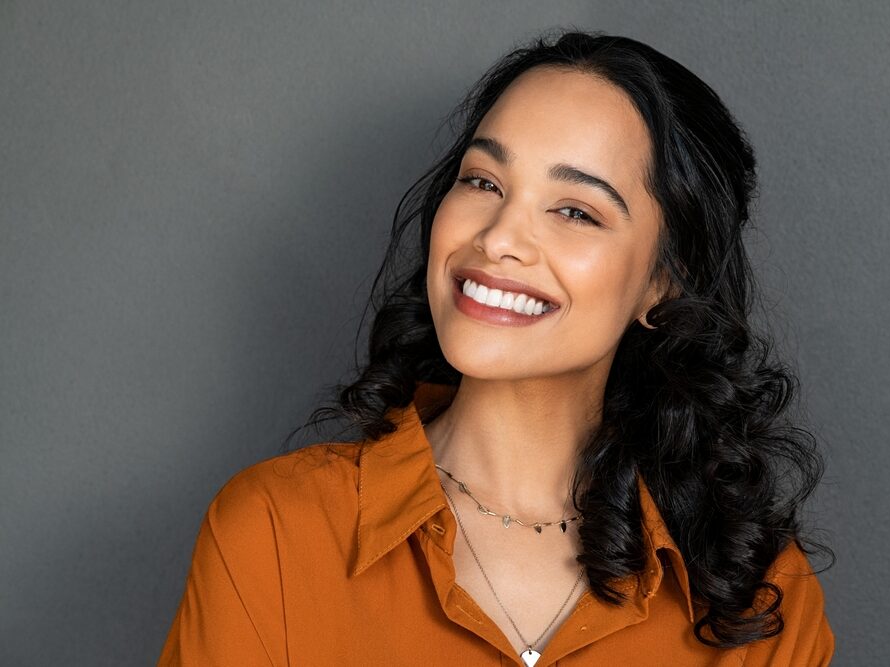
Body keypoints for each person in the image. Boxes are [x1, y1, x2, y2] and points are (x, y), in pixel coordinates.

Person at [158, 31, 833, 666]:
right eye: (484, 181)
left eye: (575, 210)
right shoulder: (272, 533)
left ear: (663, 280)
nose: (499, 236)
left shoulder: (765, 594)